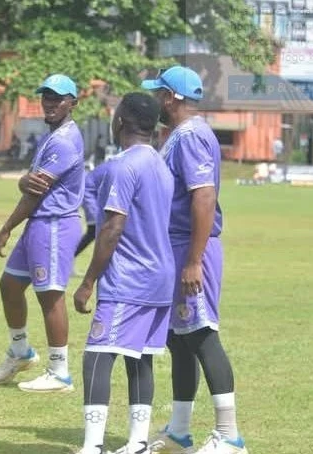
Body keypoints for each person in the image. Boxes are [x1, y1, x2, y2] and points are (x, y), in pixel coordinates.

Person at [142, 66, 248, 454]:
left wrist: (194, 260)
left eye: (159, 94)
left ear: (172, 98)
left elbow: (202, 197)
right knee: (179, 340)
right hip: (178, 247)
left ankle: (230, 435)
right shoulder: (180, 136)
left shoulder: (190, 136)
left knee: (202, 335)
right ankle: (180, 431)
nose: (155, 100)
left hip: (190, 247)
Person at [73, 92, 174, 454]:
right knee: (140, 357)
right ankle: (137, 442)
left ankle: (93, 446)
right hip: (161, 278)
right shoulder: (161, 166)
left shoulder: (124, 166)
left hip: (129, 279)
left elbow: (113, 227)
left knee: (97, 355)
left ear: (121, 122)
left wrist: (87, 282)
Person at [0, 74, 84, 393]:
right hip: (39, 223)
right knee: (10, 285)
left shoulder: (63, 140)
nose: (49, 103)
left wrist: (6, 228)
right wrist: (22, 181)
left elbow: (35, 190)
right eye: (46, 96)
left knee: (50, 295)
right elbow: (29, 183)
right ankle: (20, 352)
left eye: (57, 98)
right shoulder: (52, 134)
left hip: (55, 223)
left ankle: (59, 372)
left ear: (73, 103)